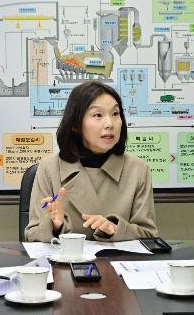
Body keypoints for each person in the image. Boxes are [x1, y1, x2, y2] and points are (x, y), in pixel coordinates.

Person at [25, 81, 158, 242]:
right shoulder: (50, 168)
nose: (110, 124)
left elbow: (149, 235)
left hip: (118, 258)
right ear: (75, 124)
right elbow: (32, 235)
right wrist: (55, 226)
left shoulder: (138, 170)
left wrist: (115, 229)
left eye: (115, 114)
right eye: (98, 115)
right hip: (68, 258)